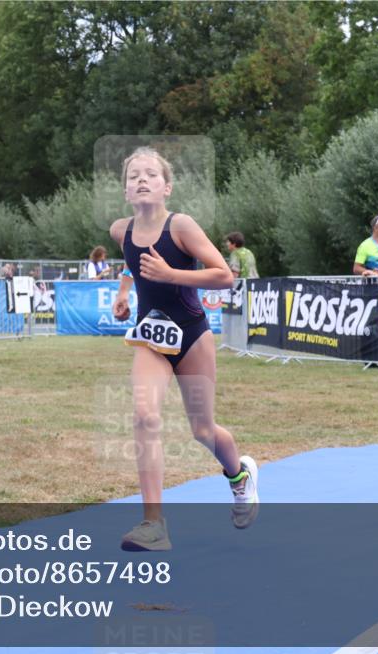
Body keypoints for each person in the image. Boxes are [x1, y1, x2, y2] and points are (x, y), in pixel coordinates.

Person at [108, 147, 258, 551]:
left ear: (167, 187)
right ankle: (153, 524)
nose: (141, 179)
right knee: (144, 416)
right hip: (151, 337)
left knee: (202, 430)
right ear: (125, 190)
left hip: (191, 334)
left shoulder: (181, 226)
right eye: (133, 175)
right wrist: (123, 293)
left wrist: (172, 274)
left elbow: (224, 276)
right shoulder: (119, 230)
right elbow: (130, 261)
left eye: (150, 175)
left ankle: (239, 475)